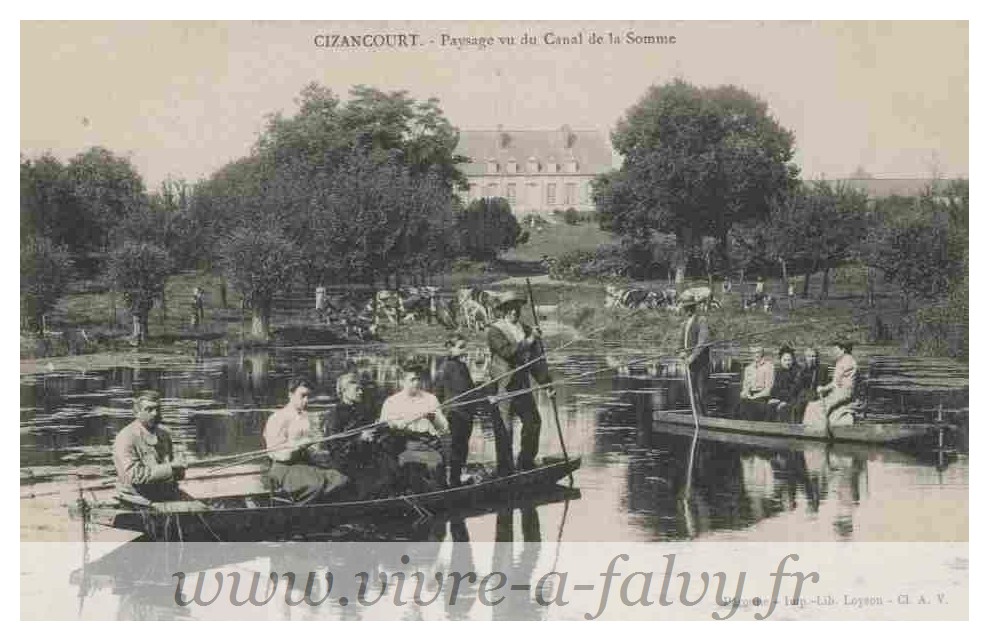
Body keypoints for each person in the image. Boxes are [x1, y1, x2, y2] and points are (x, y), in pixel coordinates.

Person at [486, 291, 554, 473]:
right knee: (505, 430)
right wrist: (530, 340)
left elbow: (535, 362)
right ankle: (505, 469)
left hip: (522, 386)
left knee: (533, 423)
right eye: (509, 308)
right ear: (502, 311)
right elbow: (507, 352)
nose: (514, 312)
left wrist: (547, 385)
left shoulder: (526, 329)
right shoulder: (495, 331)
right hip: (503, 388)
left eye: (517, 308)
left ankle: (525, 462)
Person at [263, 377, 348, 504]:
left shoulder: (305, 417)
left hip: (304, 464)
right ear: (290, 394)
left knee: (340, 479)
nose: (306, 400)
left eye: (308, 396)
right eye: (302, 396)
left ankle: (322, 513)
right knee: (315, 485)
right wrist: (296, 447)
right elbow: (274, 452)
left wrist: (315, 449)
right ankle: (300, 515)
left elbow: (311, 448)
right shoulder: (277, 418)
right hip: (284, 468)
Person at [379, 360, 450, 493]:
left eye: (418, 379)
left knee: (434, 463)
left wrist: (433, 418)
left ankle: (438, 494)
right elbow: (383, 428)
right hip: (402, 443)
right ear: (402, 381)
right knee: (396, 463)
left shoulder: (430, 399)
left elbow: (444, 428)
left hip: (427, 442)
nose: (416, 383)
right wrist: (396, 425)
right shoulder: (392, 402)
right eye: (412, 379)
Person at [320, 372, 394, 498]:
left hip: (366, 457)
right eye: (357, 389)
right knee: (369, 485)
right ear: (344, 391)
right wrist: (360, 439)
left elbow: (373, 431)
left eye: (361, 389)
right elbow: (335, 448)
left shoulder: (363, 410)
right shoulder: (335, 415)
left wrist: (379, 429)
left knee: (392, 470)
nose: (361, 392)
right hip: (347, 462)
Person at [113, 390, 187, 506]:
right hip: (137, 498)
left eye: (157, 409)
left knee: (206, 513)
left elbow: (174, 473)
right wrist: (171, 467)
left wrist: (180, 468)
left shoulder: (164, 434)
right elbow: (134, 475)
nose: (155, 413)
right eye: (149, 409)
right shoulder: (126, 437)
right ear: (137, 413)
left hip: (166, 494)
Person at [435, 334, 479, 486]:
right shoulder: (445, 367)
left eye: (464, 347)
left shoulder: (463, 366)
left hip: (467, 412)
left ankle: (457, 476)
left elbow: (470, 388)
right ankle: (453, 480)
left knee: (463, 445)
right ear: (450, 348)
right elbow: (438, 392)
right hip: (454, 413)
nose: (464, 350)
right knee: (455, 447)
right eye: (460, 347)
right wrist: (441, 413)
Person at [803, 338, 859, 429]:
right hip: (845, 392)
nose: (833, 352)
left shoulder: (844, 361)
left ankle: (818, 429)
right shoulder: (849, 359)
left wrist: (822, 388)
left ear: (842, 349)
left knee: (814, 406)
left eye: (835, 349)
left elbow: (835, 383)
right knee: (819, 404)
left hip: (841, 393)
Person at [678, 293, 710, 415]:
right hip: (689, 365)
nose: (686, 310)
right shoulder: (684, 323)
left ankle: (704, 419)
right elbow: (680, 342)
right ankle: (696, 417)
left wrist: (692, 356)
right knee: (692, 394)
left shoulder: (702, 321)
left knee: (701, 394)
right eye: (685, 308)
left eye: (688, 307)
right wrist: (681, 351)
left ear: (693, 307)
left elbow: (703, 342)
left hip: (701, 364)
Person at [737, 345, 775, 420]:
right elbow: (746, 387)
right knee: (739, 408)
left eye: (758, 352)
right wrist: (744, 393)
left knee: (752, 408)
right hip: (750, 396)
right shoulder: (748, 368)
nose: (756, 355)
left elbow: (768, 390)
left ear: (762, 353)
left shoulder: (769, 366)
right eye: (754, 353)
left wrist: (754, 397)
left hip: (762, 397)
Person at [767, 346, 802, 422]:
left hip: (793, 400)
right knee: (769, 406)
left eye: (789, 360)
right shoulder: (780, 372)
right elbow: (775, 388)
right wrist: (773, 398)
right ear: (781, 360)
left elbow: (794, 390)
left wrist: (785, 401)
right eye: (785, 360)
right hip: (781, 399)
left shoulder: (797, 372)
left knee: (784, 409)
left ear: (793, 360)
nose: (787, 362)